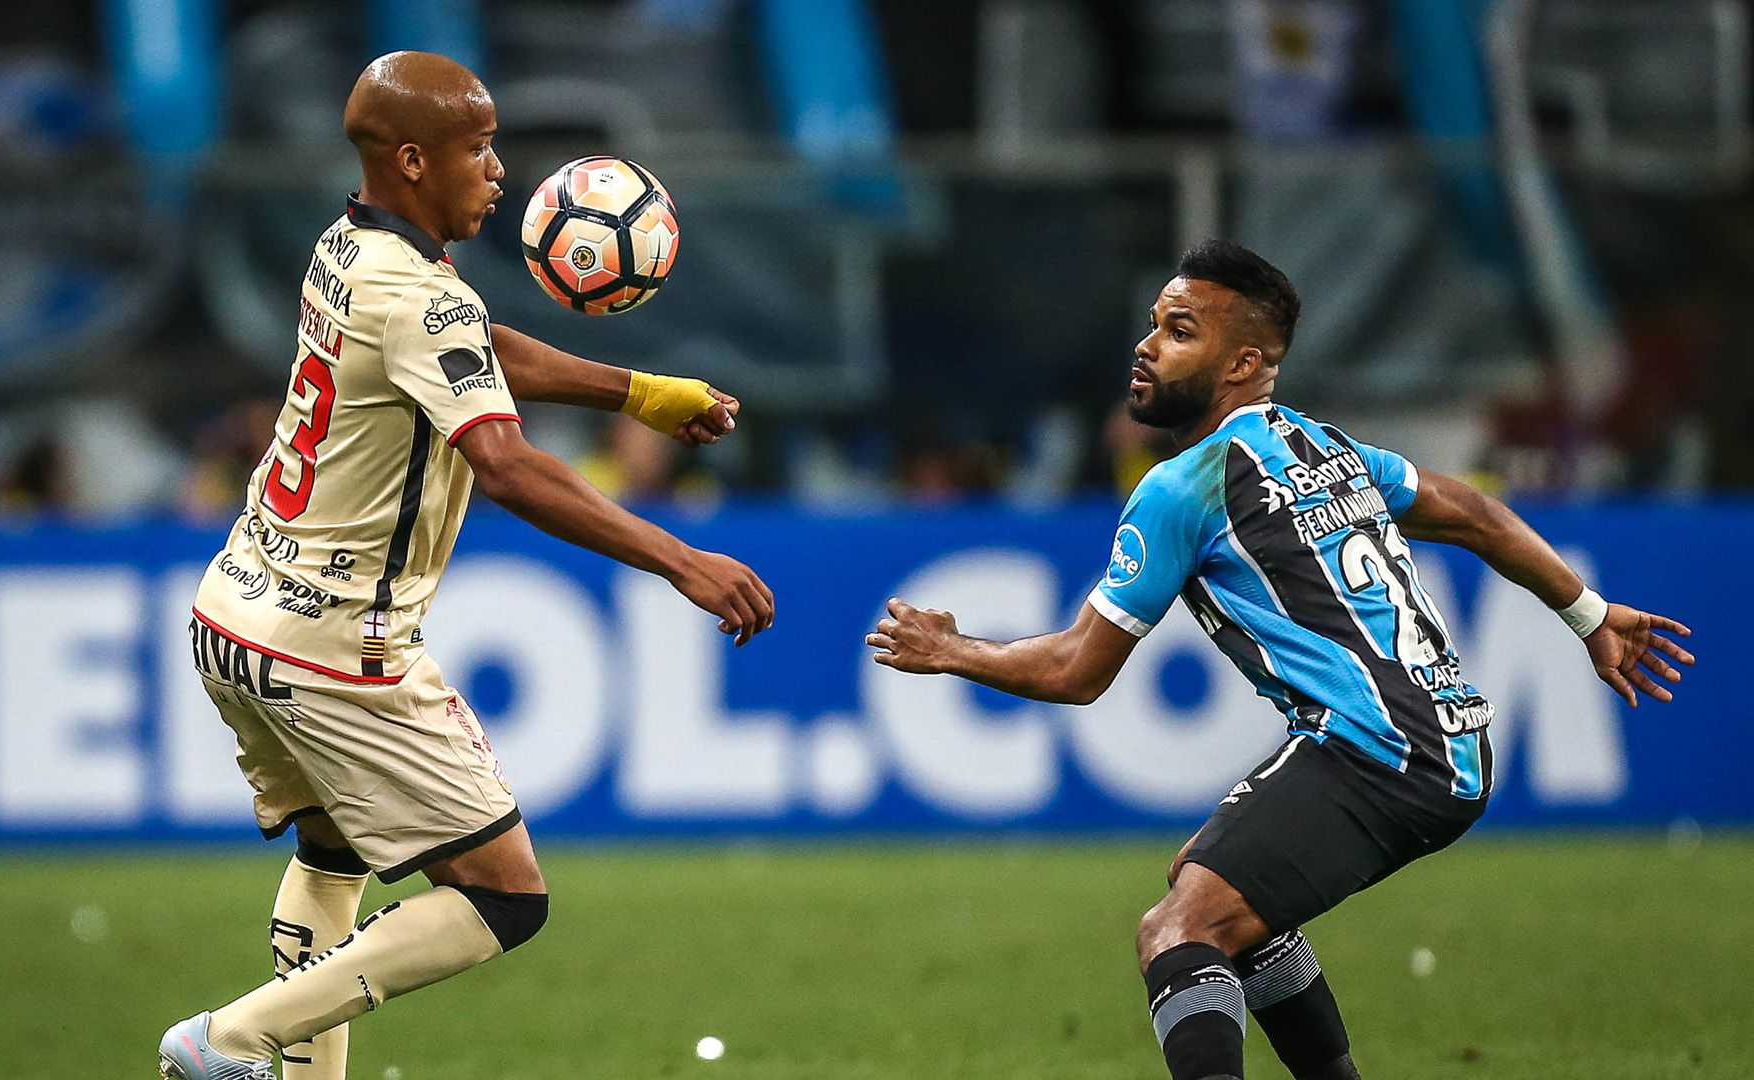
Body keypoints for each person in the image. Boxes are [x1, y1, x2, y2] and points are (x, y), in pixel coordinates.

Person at [864, 240, 1694, 1080]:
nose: (1148, 346)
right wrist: (1588, 615)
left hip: (1380, 749)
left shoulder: (1185, 486)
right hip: (1445, 740)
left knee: (1179, 931)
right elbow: (1474, 511)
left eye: (1179, 331)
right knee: (1210, 888)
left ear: (1243, 362)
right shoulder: (1326, 448)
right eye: (1153, 324)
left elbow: (1077, 671)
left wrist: (952, 650)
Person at [160, 51, 774, 1080]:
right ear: (412, 159)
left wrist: (642, 393)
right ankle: (230, 1040)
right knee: (504, 894)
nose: (500, 172)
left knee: (334, 851)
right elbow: (508, 467)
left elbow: (474, 342)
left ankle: (265, 1064)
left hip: (236, 614)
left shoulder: (345, 245)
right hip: (334, 648)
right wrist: (681, 558)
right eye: (479, 148)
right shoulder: (417, 295)